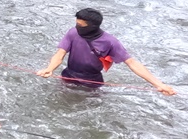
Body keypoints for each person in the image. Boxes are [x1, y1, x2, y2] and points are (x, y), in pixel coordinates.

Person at [36, 8, 176, 94]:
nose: (77, 27)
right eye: (76, 24)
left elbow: (132, 63)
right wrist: (50, 69)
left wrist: (159, 85)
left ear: (92, 26)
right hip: (68, 75)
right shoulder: (73, 33)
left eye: (81, 25)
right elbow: (59, 54)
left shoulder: (110, 41)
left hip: (92, 82)